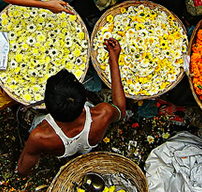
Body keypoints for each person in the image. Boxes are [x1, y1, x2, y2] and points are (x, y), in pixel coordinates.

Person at [16, 38, 126, 177]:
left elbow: (28, 160)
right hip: (87, 142)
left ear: (47, 109)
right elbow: (120, 109)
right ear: (85, 99)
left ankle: (35, 119)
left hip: (61, 148)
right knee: (82, 147)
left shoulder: (39, 136)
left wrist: (21, 172)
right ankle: (82, 152)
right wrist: (113, 61)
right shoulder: (103, 114)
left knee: (36, 122)